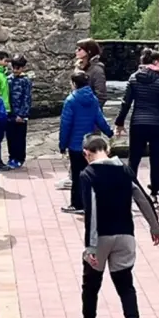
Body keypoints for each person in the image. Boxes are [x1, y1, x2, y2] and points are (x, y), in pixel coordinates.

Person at [70, 133, 159, 318]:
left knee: (91, 286)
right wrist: (155, 226)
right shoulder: (124, 170)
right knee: (125, 286)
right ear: (108, 150)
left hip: (100, 238)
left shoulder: (88, 174)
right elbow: (142, 198)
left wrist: (91, 248)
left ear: (86, 154)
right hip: (125, 235)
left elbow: (90, 211)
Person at [115, 49, 159, 194]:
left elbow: (126, 102)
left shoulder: (134, 78)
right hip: (157, 124)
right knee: (156, 160)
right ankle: (154, 193)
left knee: (133, 159)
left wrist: (119, 122)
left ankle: (130, 190)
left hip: (138, 123)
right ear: (155, 62)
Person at [59, 69, 112, 214]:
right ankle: (90, 202)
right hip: (89, 143)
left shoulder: (71, 100)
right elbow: (99, 119)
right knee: (90, 174)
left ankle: (77, 204)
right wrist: (109, 132)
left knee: (77, 176)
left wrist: (62, 145)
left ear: (74, 84)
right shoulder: (93, 99)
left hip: (75, 145)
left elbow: (65, 124)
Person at [6, 55, 33, 169]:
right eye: (14, 67)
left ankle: (19, 158)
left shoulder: (25, 80)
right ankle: (12, 156)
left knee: (20, 138)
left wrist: (22, 114)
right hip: (10, 113)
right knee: (10, 137)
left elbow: (27, 98)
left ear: (23, 68)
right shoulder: (8, 79)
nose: (16, 70)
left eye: (18, 68)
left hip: (20, 115)